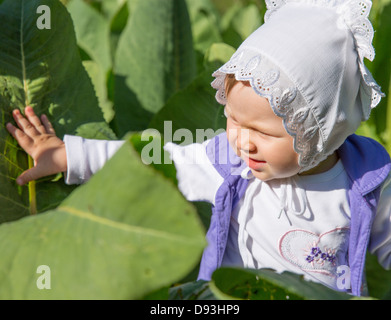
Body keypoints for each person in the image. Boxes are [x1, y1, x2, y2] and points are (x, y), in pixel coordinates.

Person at [6, 0, 391, 296]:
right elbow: (150, 162)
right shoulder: (229, 162)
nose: (242, 140)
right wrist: (64, 155)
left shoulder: (368, 184)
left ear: (320, 134)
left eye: (264, 132)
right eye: (234, 120)